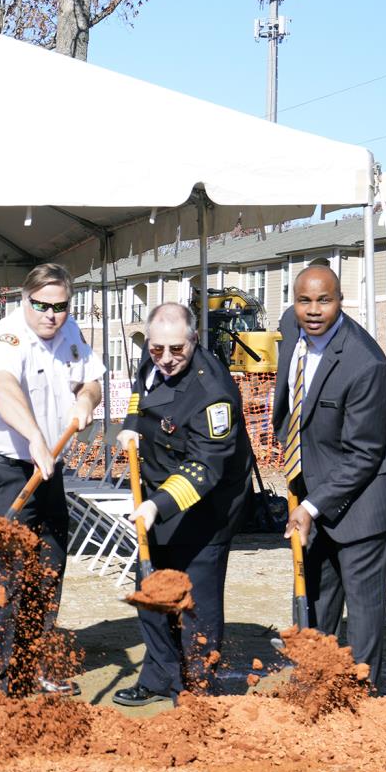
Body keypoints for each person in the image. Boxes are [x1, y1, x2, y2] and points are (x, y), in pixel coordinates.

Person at [0, 262, 103, 696]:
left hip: (48, 467)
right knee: (4, 569)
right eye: (42, 306)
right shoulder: (6, 336)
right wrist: (36, 437)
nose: (51, 316)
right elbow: (3, 389)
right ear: (25, 300)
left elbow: (90, 378)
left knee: (49, 563)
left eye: (60, 306)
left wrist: (86, 401)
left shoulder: (69, 329)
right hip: (1, 467)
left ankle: (31, 666)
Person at [274, 264, 386, 689]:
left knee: (364, 611)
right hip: (315, 483)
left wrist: (312, 507)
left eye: (324, 300)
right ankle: (316, 684)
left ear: (341, 300)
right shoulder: (290, 329)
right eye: (304, 300)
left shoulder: (364, 363)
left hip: (365, 495)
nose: (313, 311)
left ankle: (359, 697)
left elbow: (364, 454)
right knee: (316, 593)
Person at [113, 302, 252, 706]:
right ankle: (159, 677)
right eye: (158, 350)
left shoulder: (213, 394)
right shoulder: (153, 355)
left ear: (194, 340)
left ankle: (198, 689)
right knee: (151, 590)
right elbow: (141, 390)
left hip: (205, 505)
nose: (167, 359)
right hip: (158, 491)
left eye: (177, 350)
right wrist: (130, 427)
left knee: (195, 602)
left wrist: (157, 505)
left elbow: (205, 468)